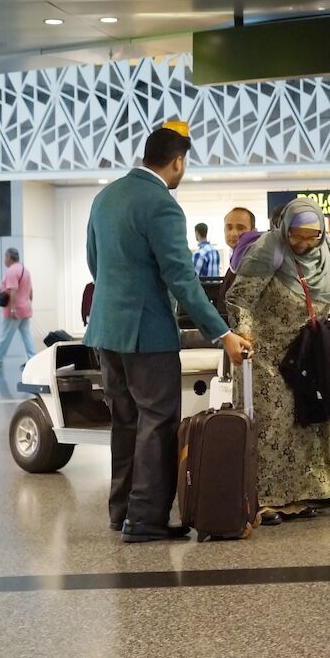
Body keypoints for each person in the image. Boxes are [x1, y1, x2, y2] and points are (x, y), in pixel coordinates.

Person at [85, 123, 251, 543]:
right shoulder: (162, 204)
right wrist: (222, 334)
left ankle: (121, 509)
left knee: (125, 421)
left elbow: (95, 263)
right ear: (178, 161)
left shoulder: (105, 197)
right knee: (157, 421)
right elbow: (180, 278)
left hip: (106, 330)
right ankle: (144, 521)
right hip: (147, 334)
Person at [225, 197, 330, 525]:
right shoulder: (269, 250)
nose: (305, 244)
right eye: (297, 236)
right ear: (284, 231)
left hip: (307, 353)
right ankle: (264, 499)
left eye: (313, 237)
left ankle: (299, 496)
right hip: (267, 355)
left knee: (306, 423)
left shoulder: (327, 253)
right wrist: (244, 333)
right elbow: (241, 298)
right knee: (271, 427)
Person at [0, 248, 33, 370]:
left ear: (10, 257)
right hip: (25, 308)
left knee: (5, 336)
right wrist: (27, 303)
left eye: (5, 257)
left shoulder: (11, 271)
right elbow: (31, 291)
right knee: (27, 336)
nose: (4, 260)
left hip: (15, 310)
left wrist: (12, 309)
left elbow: (13, 291)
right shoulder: (25, 270)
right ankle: (32, 360)